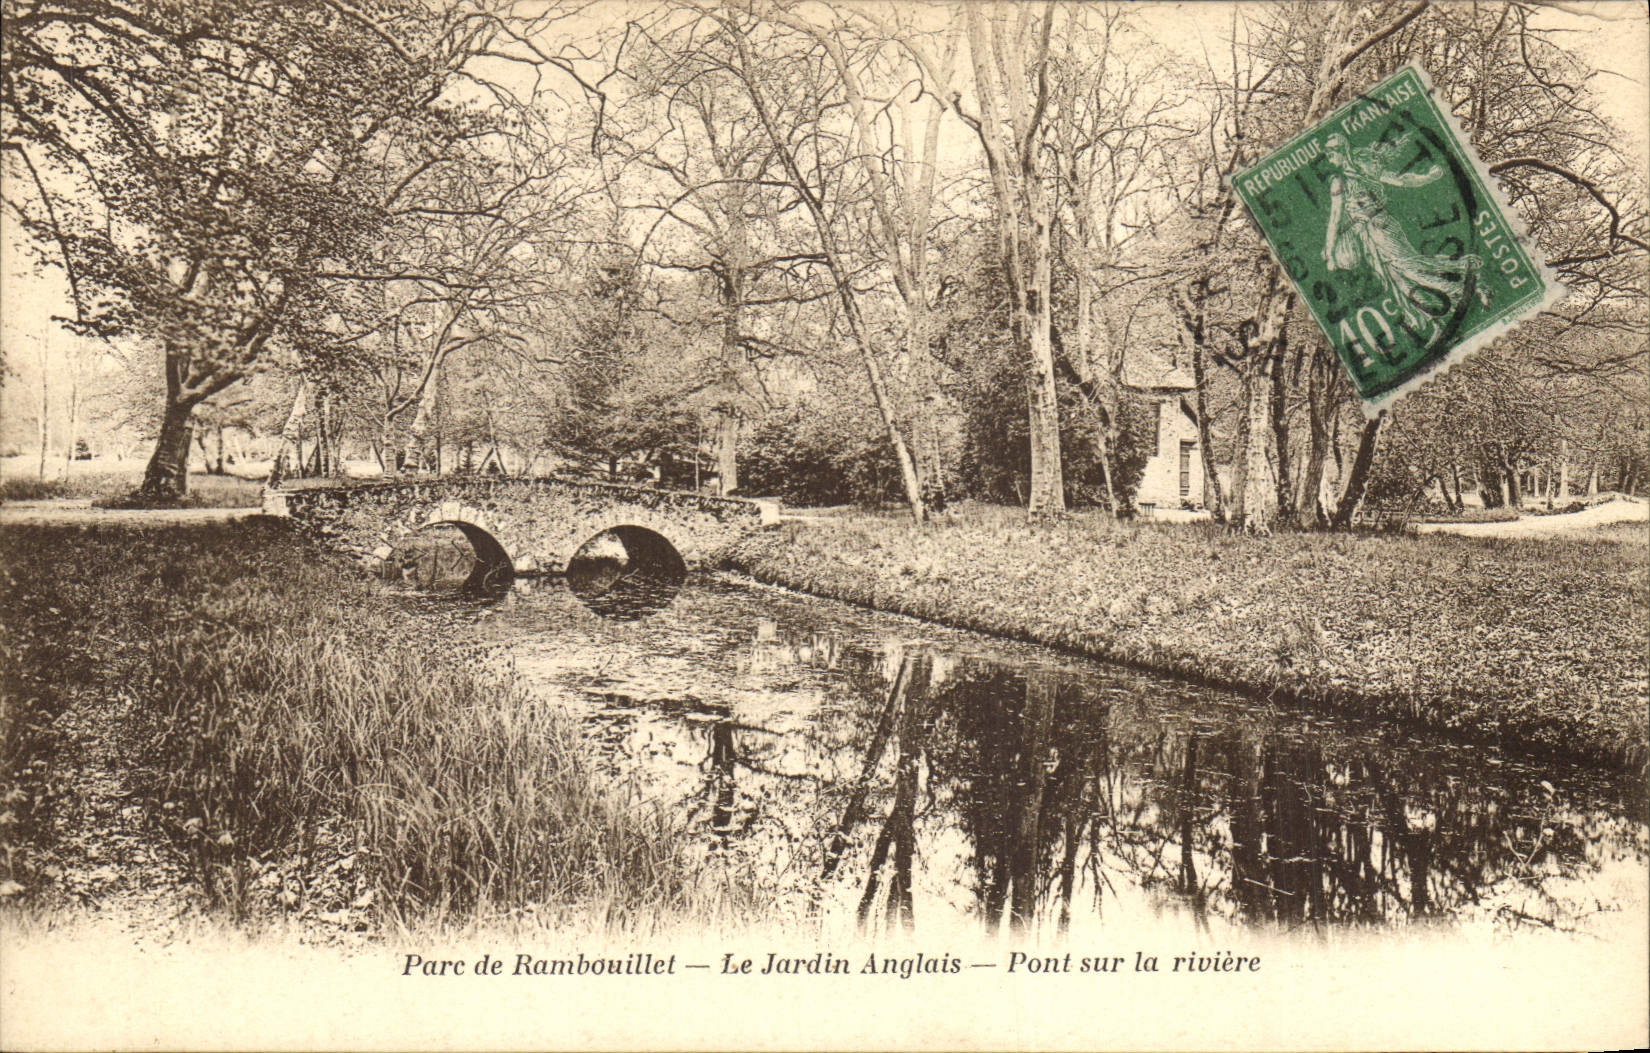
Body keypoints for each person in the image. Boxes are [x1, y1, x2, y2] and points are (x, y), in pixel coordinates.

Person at [1321, 132, 1488, 334]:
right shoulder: (1356, 172)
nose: (1329, 159)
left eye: (1330, 154)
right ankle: (1433, 320)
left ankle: (1467, 277)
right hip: (1369, 235)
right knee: (1397, 282)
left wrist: (1330, 253)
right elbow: (1399, 181)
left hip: (1380, 227)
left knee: (1411, 267)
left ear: (1341, 151)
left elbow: (1335, 219)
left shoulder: (1349, 176)